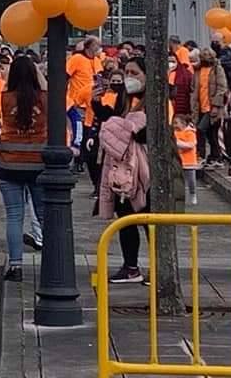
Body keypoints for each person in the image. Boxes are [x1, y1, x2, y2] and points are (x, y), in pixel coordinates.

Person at [0, 56, 46, 281]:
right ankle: (52, 264)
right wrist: (37, 71)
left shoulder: (4, 99)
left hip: (9, 163)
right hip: (39, 164)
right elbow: (47, 88)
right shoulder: (45, 99)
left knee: (14, 216)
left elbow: (0, 113)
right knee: (44, 216)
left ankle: (15, 266)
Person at [98, 57, 150, 284]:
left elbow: (139, 133)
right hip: (122, 168)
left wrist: (122, 127)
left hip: (146, 168)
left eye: (135, 73)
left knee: (150, 219)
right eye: (127, 72)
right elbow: (115, 129)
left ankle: (159, 267)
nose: (130, 78)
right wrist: (98, 107)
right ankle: (131, 266)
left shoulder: (155, 101)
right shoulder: (124, 100)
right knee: (126, 219)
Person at [191, 48, 228, 166]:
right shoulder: (198, 70)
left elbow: (222, 88)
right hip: (200, 106)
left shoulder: (217, 70)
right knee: (211, 134)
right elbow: (194, 88)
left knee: (202, 130)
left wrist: (216, 106)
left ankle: (202, 155)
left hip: (212, 107)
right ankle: (214, 156)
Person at [67, 37, 102, 154]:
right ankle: (78, 158)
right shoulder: (76, 59)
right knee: (79, 132)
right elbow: (65, 75)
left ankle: (84, 158)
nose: (99, 48)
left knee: (89, 131)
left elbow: (99, 78)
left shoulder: (96, 60)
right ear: (89, 46)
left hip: (92, 103)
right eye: (97, 45)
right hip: (78, 103)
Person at [173, 114, 199, 206]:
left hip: (189, 162)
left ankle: (193, 194)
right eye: (174, 123)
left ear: (183, 123)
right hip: (178, 161)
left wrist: (178, 143)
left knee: (191, 181)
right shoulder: (174, 133)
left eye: (176, 123)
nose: (175, 125)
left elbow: (191, 144)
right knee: (178, 181)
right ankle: (179, 197)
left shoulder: (190, 132)